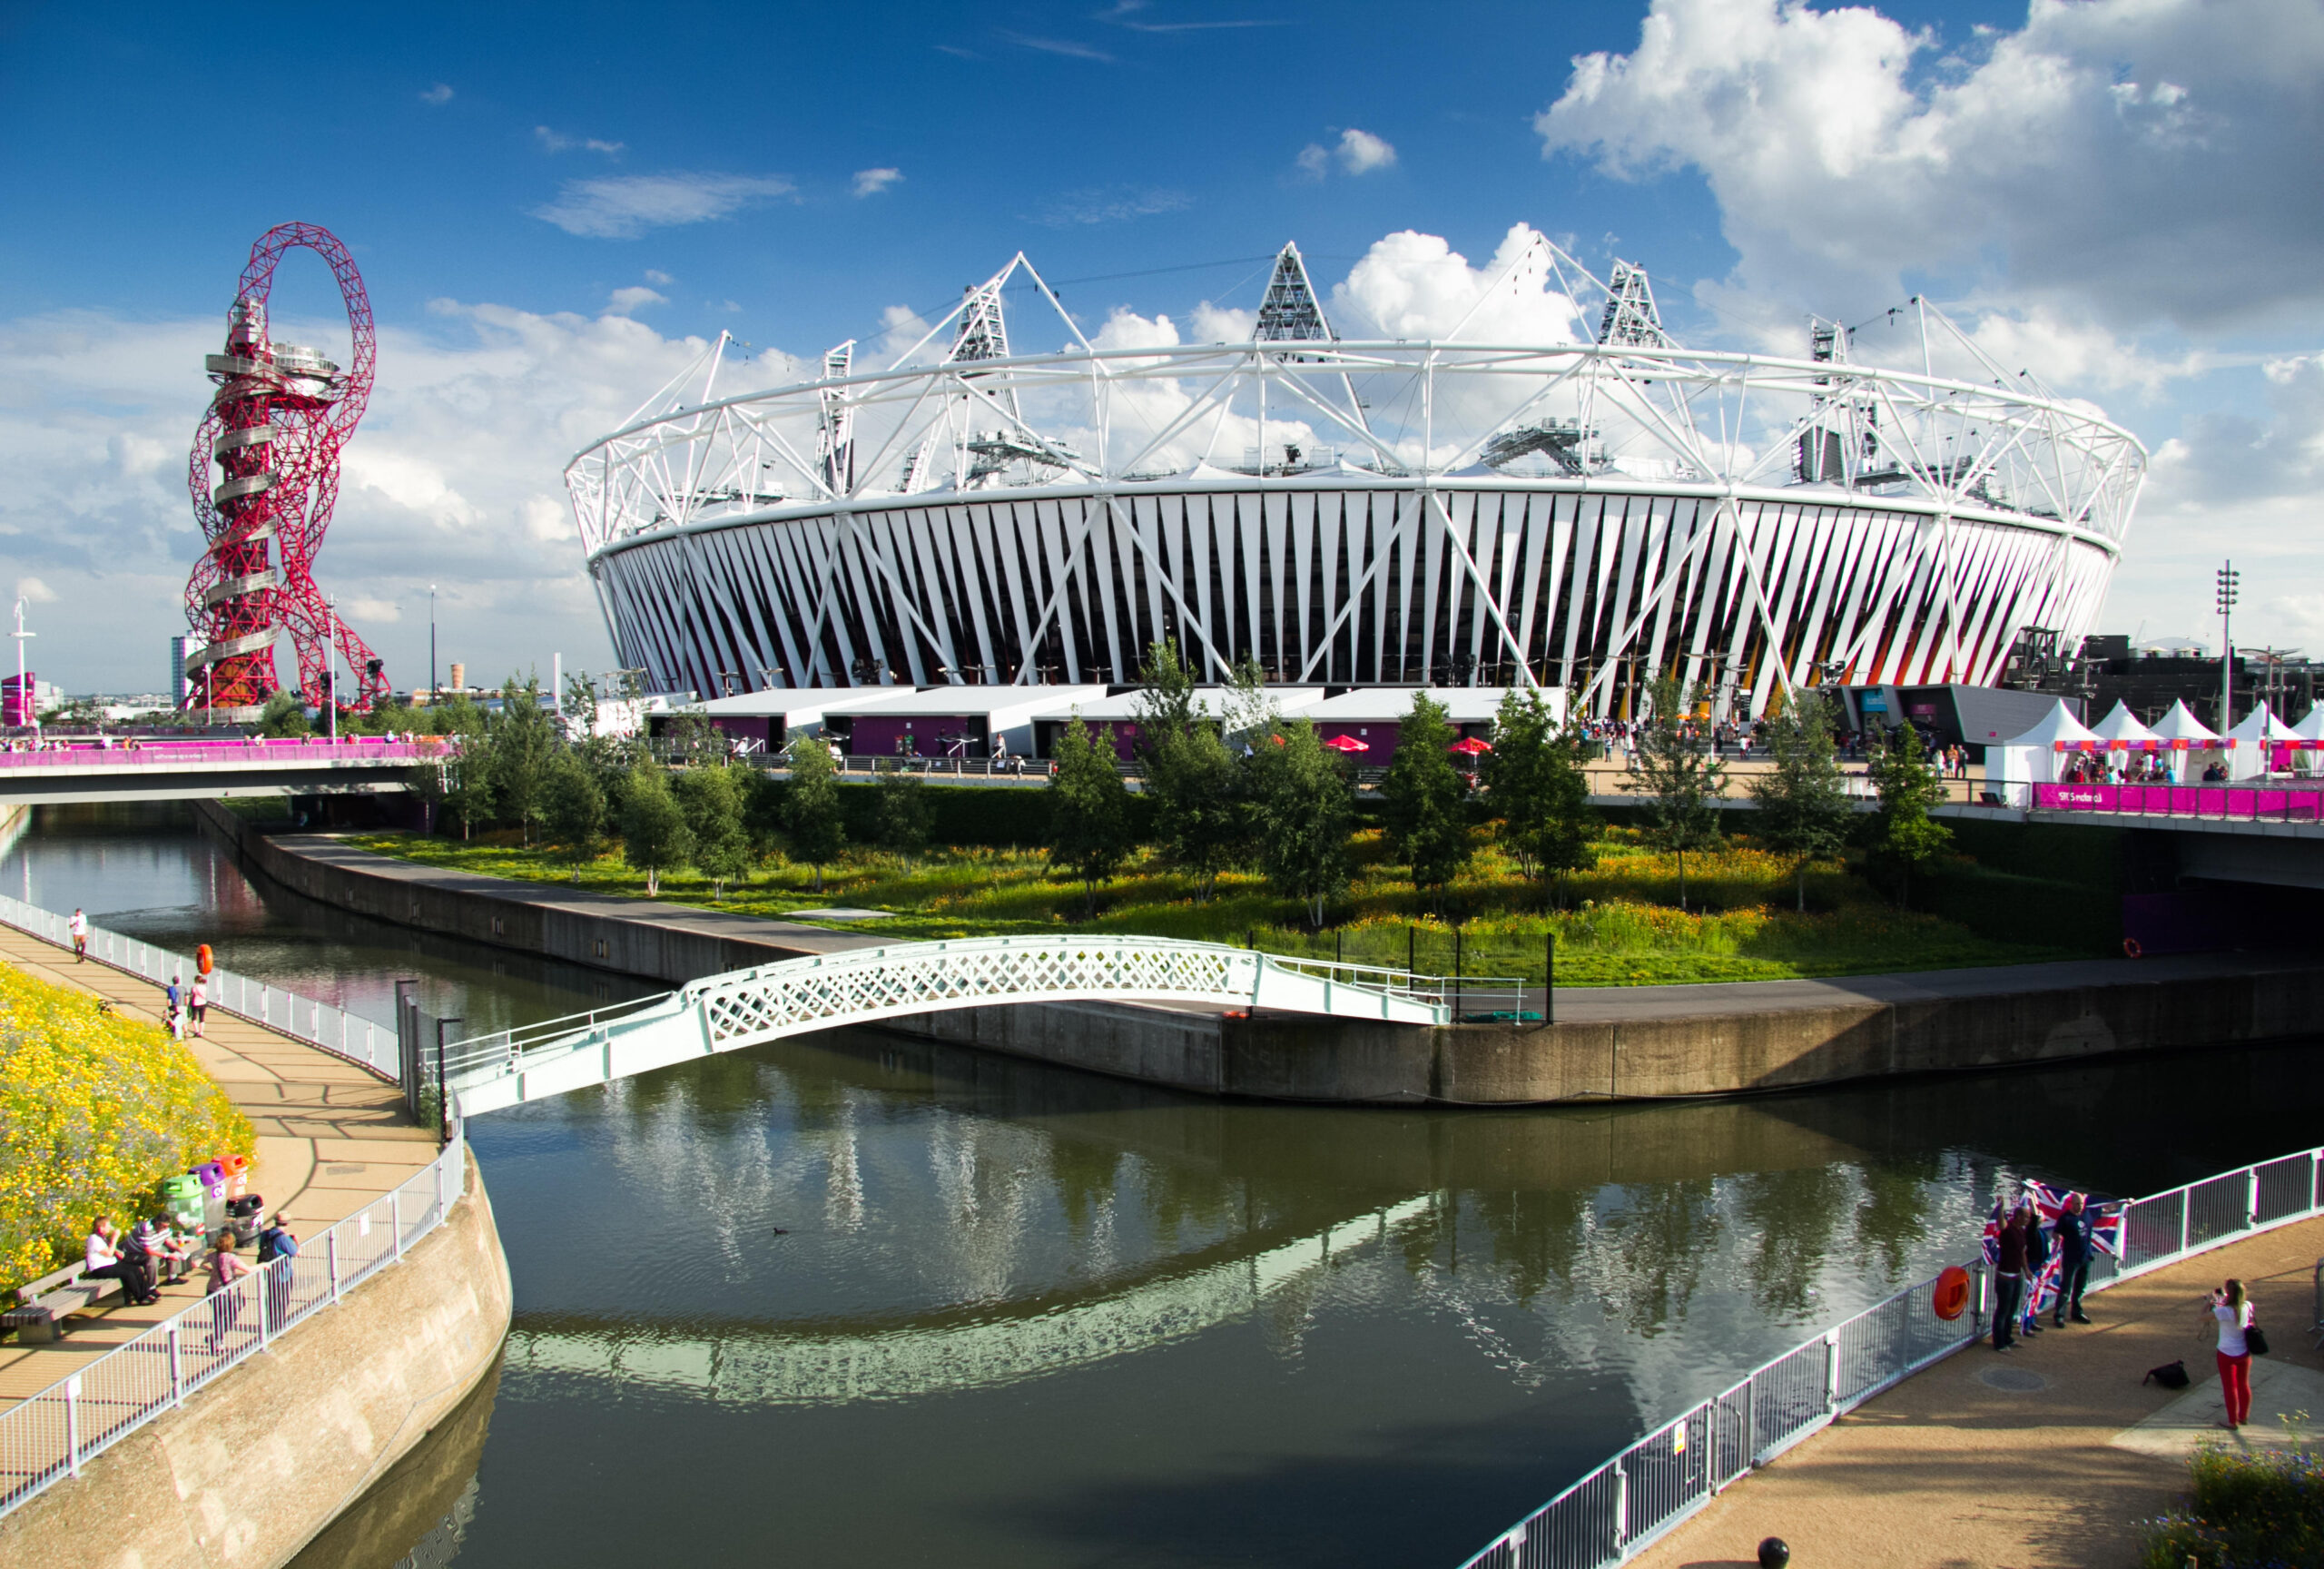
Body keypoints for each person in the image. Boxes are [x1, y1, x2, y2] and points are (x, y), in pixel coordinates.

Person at [2209, 1278, 2254, 1428]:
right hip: (2244, 1352)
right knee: (2243, 1385)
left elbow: (2203, 1317)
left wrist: (2213, 1300)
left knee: (2230, 1388)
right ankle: (2244, 1416)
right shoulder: (2248, 1306)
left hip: (2226, 1353)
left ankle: (2232, 1421)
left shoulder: (2224, 1311)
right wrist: (2222, 1300)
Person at [84, 1216, 157, 1305]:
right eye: (108, 1226)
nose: (110, 1228)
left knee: (136, 1269)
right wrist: (115, 1238)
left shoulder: (102, 1237)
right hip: (100, 1268)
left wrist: (117, 1251)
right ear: (101, 1228)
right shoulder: (94, 1239)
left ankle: (146, 1294)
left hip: (110, 1264)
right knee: (128, 1274)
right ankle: (140, 1298)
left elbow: (109, 1249)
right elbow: (108, 1254)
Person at [205, 1230, 256, 1350]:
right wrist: (264, 1265)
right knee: (227, 1317)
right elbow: (247, 1269)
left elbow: (198, 1263)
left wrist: (210, 1269)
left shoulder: (212, 1255)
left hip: (212, 1290)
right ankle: (218, 1342)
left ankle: (216, 1337)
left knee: (221, 1316)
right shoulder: (230, 1258)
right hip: (225, 1292)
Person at [2053, 1193, 2096, 1326]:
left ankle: (2077, 1312)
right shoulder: (2065, 1218)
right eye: (2077, 1204)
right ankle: (2059, 1314)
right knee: (2066, 1288)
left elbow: (2107, 1209)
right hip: (2071, 1259)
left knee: (2080, 1288)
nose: (2080, 1206)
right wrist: (2058, 1237)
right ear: (2072, 1203)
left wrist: (2124, 1203)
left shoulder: (2087, 1214)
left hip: (2085, 1257)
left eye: (2082, 1204)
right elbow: (2056, 1232)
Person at [1992, 1204, 2027, 1351]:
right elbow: (2001, 1223)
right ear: (2018, 1217)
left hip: (2016, 1276)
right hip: (2005, 1277)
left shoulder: (2021, 1232)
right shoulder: (2008, 1230)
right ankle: (1999, 1343)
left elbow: (2022, 1253)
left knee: (2011, 1310)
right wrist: (2001, 1207)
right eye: (2026, 1217)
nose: (2028, 1220)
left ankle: (2007, 1338)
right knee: (2002, 1310)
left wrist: (2027, 1270)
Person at [2020, 1197, 2050, 1336]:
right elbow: (2034, 1215)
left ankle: (2032, 1320)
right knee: (2030, 1295)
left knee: (2037, 1295)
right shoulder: (2030, 1231)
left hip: (2040, 1266)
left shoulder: (2041, 1232)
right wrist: (2032, 1196)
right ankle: (2026, 1324)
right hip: (2033, 1265)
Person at [188, 973, 209, 1037]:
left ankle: (196, 1031)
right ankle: (201, 1032)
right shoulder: (205, 987)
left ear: (196, 980)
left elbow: (192, 995)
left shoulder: (194, 988)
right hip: (203, 1003)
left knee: (194, 1017)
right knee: (202, 1018)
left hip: (196, 1003)